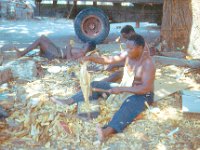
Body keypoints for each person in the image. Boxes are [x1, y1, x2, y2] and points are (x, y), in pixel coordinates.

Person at [52, 34, 155, 141]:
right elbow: (109, 59)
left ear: (140, 48)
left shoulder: (148, 64)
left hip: (142, 95)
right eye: (126, 48)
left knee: (128, 106)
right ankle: (69, 101)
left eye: (131, 48)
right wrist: (91, 58)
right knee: (95, 84)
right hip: (125, 89)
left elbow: (145, 88)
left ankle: (106, 131)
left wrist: (121, 89)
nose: (127, 51)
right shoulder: (128, 54)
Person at [15, 35, 96, 60]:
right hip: (58, 50)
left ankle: (22, 53)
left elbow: (69, 60)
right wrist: (68, 47)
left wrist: (68, 48)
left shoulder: (82, 53)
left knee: (40, 40)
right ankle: (42, 54)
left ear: (88, 48)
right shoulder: (81, 50)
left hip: (57, 54)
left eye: (86, 45)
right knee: (43, 37)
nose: (84, 44)